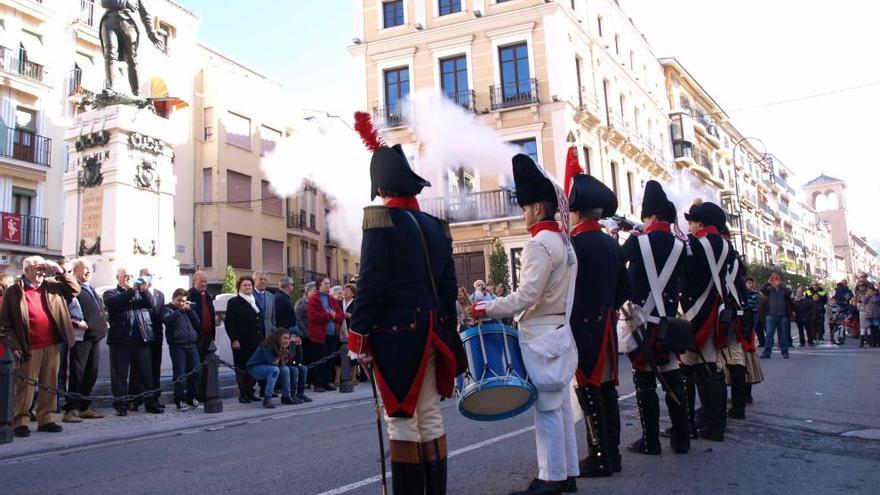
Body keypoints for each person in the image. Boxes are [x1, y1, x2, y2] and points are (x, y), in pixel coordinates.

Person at [348, 122, 459, 495]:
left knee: (400, 419)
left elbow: (371, 284)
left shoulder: (380, 221)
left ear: (381, 189)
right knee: (429, 414)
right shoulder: (435, 227)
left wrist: (358, 337)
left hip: (396, 339)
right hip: (432, 333)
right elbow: (448, 290)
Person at [471, 154, 579, 495]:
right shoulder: (562, 241)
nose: (522, 214)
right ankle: (567, 473)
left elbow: (526, 295)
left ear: (536, 208)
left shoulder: (538, 244)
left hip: (542, 334)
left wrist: (487, 309)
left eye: (524, 207)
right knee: (560, 406)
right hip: (560, 330)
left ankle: (551, 478)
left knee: (547, 410)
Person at [566, 173, 631, 474]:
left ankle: (601, 456)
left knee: (589, 390)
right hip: (605, 325)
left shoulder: (574, 245)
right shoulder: (612, 245)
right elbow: (625, 291)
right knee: (606, 390)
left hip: (581, 327)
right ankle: (612, 455)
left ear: (577, 212)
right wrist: (608, 308)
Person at [619, 181, 689, 456]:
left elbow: (618, 263)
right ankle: (682, 439)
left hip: (642, 321)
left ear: (652, 216)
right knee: (674, 378)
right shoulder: (680, 245)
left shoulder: (638, 241)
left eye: (646, 217)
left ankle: (651, 441)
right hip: (669, 323)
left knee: (645, 383)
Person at [2, 257, 79, 437]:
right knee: (25, 387)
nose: (42, 273)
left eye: (44, 269)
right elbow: (5, 323)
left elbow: (75, 290)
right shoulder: (14, 291)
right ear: (27, 270)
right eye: (38, 269)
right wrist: (14, 345)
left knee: (49, 383)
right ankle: (19, 421)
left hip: (51, 345)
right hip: (29, 346)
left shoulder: (53, 285)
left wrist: (60, 271)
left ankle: (46, 418)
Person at [680, 199, 733, 442]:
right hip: (714, 310)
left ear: (700, 223)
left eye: (691, 222)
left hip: (696, 312)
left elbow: (685, 270)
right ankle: (715, 424)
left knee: (692, 370)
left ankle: (691, 424)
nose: (688, 226)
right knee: (710, 369)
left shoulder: (697, 245)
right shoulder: (724, 245)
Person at [104, 268, 161, 416]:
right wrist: (131, 291)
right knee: (120, 375)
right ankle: (121, 405)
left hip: (141, 339)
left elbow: (151, 303)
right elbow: (114, 303)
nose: (129, 279)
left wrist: (143, 290)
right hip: (120, 340)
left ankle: (150, 403)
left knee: (146, 373)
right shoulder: (110, 293)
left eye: (131, 276)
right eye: (126, 276)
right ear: (118, 278)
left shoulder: (138, 293)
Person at [62, 259, 108, 422]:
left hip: (94, 337)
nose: (88, 271)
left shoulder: (91, 288)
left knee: (91, 373)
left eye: (90, 269)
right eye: (84, 269)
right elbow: (65, 312)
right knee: (76, 373)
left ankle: (84, 407)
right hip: (80, 338)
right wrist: (78, 323)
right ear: (75, 271)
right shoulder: (73, 289)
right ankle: (71, 409)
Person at [224, 276, 264, 403]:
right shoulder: (234, 302)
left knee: (253, 368)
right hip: (241, 342)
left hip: (256, 341)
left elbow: (260, 322)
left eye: (250, 285)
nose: (248, 287)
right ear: (239, 287)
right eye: (245, 285)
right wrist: (234, 339)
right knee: (242, 368)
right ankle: (243, 394)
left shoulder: (255, 301)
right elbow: (229, 323)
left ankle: (251, 391)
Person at [129, 268, 164, 411]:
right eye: (143, 276)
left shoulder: (159, 294)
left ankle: (155, 397)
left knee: (155, 369)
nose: (146, 278)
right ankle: (137, 400)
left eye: (149, 276)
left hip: (156, 335)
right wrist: (141, 288)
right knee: (141, 370)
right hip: (141, 335)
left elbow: (159, 312)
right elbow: (147, 304)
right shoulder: (136, 293)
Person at [161, 289, 201, 410]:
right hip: (177, 346)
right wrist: (179, 311)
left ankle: (192, 397)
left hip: (192, 345)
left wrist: (190, 312)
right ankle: (179, 399)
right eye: (179, 301)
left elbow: (197, 323)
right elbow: (167, 321)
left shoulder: (188, 310)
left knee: (196, 371)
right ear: (173, 299)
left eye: (184, 301)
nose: (182, 303)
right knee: (180, 373)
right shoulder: (167, 309)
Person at [307, 278, 344, 392]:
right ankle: (318, 383)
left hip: (332, 334)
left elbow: (340, 315)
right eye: (325, 283)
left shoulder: (331, 299)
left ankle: (327, 381)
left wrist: (334, 317)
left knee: (330, 359)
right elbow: (313, 317)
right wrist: (329, 316)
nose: (328, 286)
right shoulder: (314, 300)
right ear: (319, 285)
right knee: (320, 359)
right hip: (320, 335)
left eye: (329, 283)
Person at [246, 329, 297, 408]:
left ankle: (286, 396)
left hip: (268, 366)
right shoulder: (268, 345)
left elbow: (284, 362)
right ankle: (267, 398)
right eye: (284, 338)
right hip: (255, 367)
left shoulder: (282, 346)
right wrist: (282, 351)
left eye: (288, 338)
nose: (286, 340)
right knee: (274, 369)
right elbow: (272, 361)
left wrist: (287, 349)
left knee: (285, 369)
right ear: (278, 337)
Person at [188, 271, 215, 402]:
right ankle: (192, 395)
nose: (204, 284)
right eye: (201, 281)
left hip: (207, 336)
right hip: (195, 337)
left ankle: (202, 394)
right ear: (195, 281)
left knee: (205, 367)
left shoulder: (208, 296)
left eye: (205, 281)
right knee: (194, 366)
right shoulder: (189, 295)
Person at [760, 275, 794, 359]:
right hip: (771, 315)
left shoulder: (784, 290)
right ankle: (767, 352)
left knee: (783, 334)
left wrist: (781, 285)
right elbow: (761, 290)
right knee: (769, 335)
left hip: (782, 315)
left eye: (777, 280)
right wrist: (767, 283)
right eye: (774, 281)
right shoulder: (769, 290)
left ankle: (785, 352)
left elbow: (789, 293)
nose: (775, 282)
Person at [295, 281, 317, 379]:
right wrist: (305, 332)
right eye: (313, 291)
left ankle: (311, 378)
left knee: (313, 357)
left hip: (314, 335)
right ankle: (305, 379)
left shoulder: (316, 303)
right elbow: (297, 319)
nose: (315, 293)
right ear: (307, 292)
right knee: (305, 358)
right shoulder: (301, 302)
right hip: (305, 335)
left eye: (317, 291)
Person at [253, 270, 276, 337]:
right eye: (261, 279)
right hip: (253, 335)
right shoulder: (249, 295)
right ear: (254, 280)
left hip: (268, 334)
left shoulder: (271, 296)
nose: (263, 281)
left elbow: (273, 316)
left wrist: (273, 328)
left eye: (265, 279)